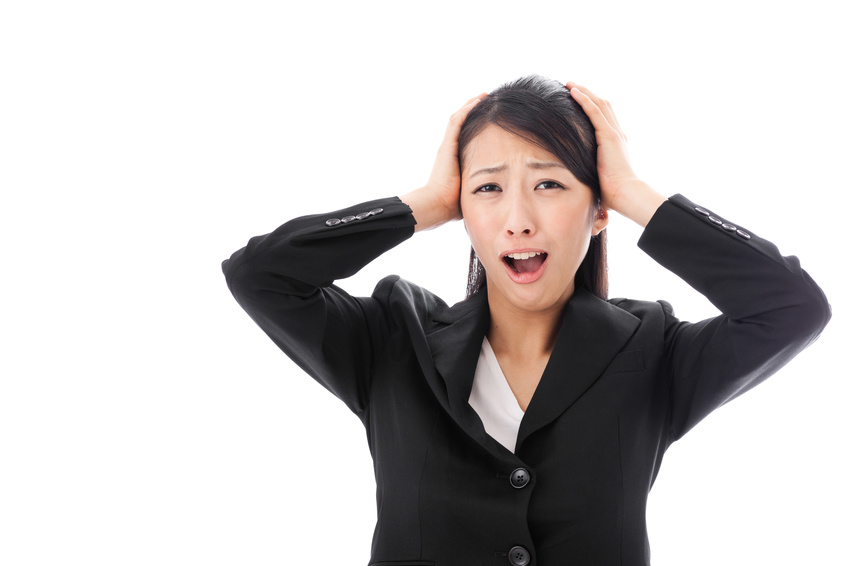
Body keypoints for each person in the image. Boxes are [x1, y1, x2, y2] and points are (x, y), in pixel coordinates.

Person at [221, 75, 830, 566]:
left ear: (598, 212)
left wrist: (633, 192)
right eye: (487, 189)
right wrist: (425, 205)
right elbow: (260, 275)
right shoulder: (391, 338)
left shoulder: (653, 352)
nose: (517, 219)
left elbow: (792, 306)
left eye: (549, 184)